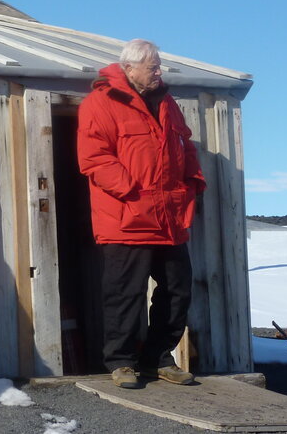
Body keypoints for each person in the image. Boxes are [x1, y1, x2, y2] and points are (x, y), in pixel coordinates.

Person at [76, 39, 205, 389]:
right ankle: (120, 362)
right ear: (129, 68)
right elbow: (95, 158)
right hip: (126, 218)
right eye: (153, 66)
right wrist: (135, 193)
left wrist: (193, 182)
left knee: (178, 290)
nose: (159, 71)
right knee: (124, 293)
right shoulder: (100, 103)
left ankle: (158, 359)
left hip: (168, 218)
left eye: (159, 65)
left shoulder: (167, 104)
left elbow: (185, 147)